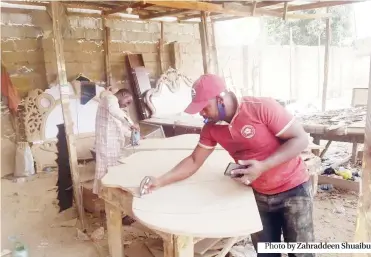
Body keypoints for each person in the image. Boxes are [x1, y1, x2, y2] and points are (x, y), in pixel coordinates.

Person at [141, 74, 314, 257]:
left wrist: (263, 166)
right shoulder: (211, 128)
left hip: (293, 190)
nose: (202, 113)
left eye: (204, 107)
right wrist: (159, 181)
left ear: (220, 99)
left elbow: (301, 139)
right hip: (256, 196)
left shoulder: (261, 108)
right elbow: (194, 161)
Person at [93, 88, 139, 195]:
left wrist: (134, 134)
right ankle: (102, 194)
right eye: (128, 102)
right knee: (104, 170)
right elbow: (116, 112)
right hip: (106, 143)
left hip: (113, 145)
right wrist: (131, 124)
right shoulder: (109, 98)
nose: (127, 105)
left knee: (112, 170)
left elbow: (119, 126)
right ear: (123, 94)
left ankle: (110, 194)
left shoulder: (115, 108)